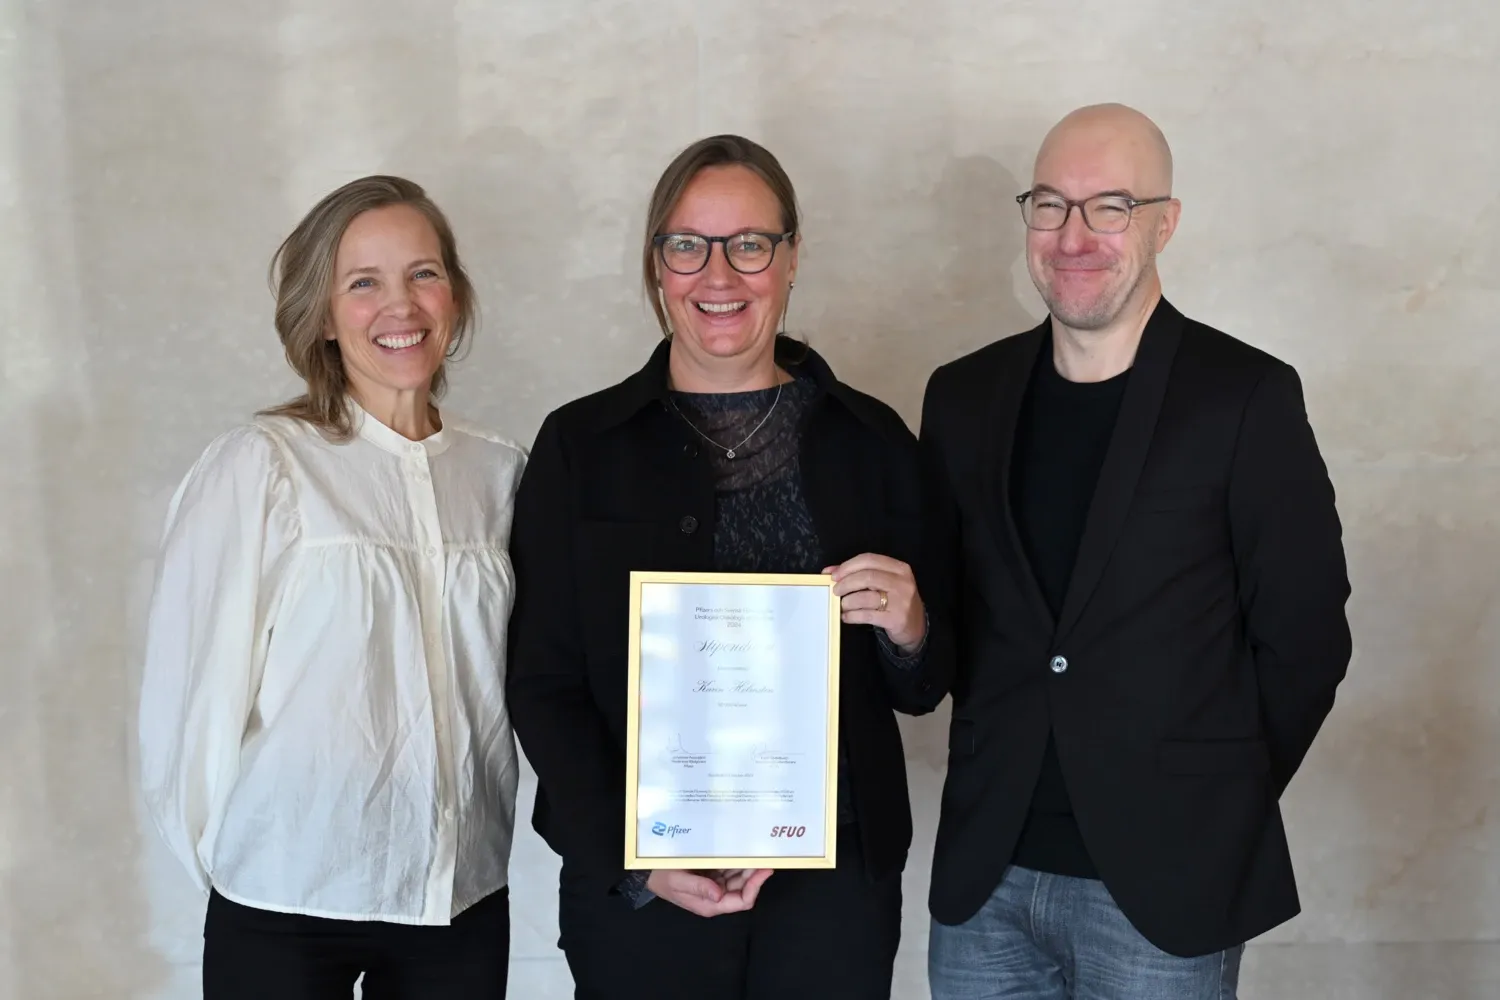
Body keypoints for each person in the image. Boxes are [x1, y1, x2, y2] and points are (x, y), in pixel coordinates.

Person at [505, 133, 954, 1000]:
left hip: (833, 881)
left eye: (750, 245)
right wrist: (631, 860)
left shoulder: (874, 443)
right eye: (688, 246)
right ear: (657, 264)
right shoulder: (579, 447)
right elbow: (542, 682)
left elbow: (924, 685)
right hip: (640, 890)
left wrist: (911, 626)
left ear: (791, 260)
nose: (719, 276)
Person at [920, 104, 1353, 998]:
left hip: (1163, 890)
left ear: (1165, 222)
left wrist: (1207, 804)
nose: (1075, 235)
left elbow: (1306, 641)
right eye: (1051, 204)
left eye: (1110, 206)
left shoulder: (1246, 399)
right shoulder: (962, 398)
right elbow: (956, 630)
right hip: (985, 883)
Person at [137, 175, 522, 999]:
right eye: (363, 282)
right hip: (286, 896)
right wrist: (230, 858)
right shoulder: (264, 466)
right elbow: (189, 689)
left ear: (454, 293)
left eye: (423, 273)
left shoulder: (501, 474)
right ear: (320, 313)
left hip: (459, 898)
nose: (401, 306)